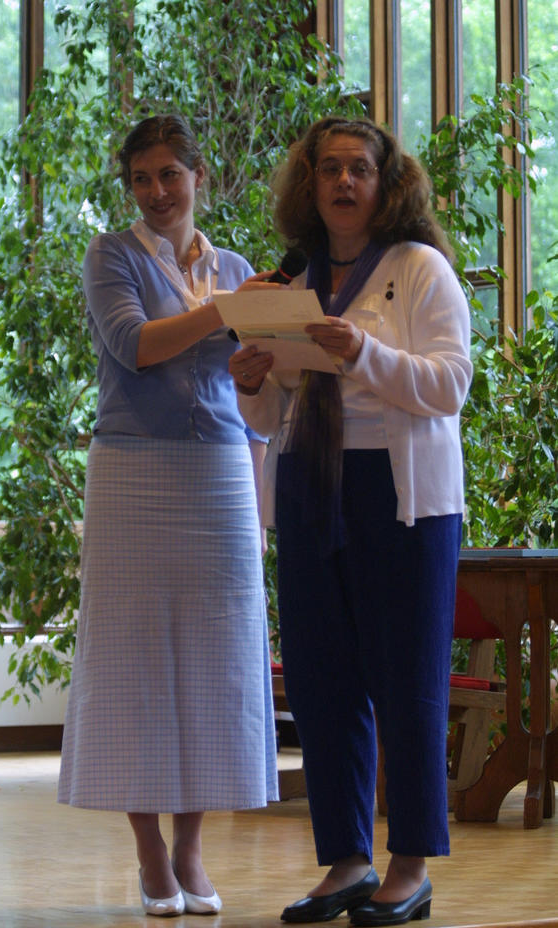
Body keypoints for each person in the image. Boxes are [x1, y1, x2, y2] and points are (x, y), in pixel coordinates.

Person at [229, 116, 473, 927]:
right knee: (320, 680)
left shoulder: (418, 267)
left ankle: (410, 865)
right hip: (309, 482)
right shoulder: (292, 277)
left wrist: (359, 352)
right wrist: (251, 379)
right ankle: (345, 861)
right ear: (309, 184)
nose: (342, 182)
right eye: (328, 168)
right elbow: (271, 413)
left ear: (384, 182)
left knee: (405, 681)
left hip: (400, 496)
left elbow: (449, 385)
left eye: (358, 169)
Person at [58, 114, 279, 918]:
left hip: (221, 470)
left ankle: (190, 848)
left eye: (169, 176)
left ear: (198, 177)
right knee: (131, 659)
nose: (155, 192)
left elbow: (254, 388)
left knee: (217, 661)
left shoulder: (235, 268)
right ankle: (149, 850)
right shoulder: (111, 255)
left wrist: (256, 365)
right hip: (131, 470)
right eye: (140, 179)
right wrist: (226, 314)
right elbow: (135, 345)